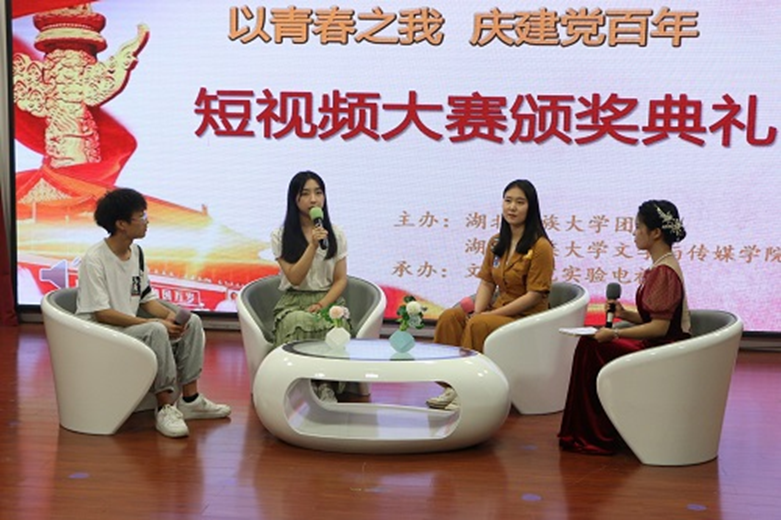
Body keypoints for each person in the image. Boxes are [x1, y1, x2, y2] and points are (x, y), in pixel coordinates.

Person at [76, 188, 231, 439]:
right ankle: (165, 407)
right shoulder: (94, 259)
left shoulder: (136, 253)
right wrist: (157, 322)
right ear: (121, 224)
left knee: (191, 321)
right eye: (141, 216)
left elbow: (146, 299)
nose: (147, 221)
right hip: (101, 333)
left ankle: (190, 400)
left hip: (127, 328)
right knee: (156, 329)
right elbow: (102, 314)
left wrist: (170, 317)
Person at [558, 200, 690, 455]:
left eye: (638, 227)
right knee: (591, 343)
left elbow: (659, 329)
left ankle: (595, 434)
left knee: (593, 347)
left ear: (655, 233)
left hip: (663, 350)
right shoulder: (661, 265)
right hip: (658, 344)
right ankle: (590, 431)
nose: (634, 232)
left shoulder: (664, 271)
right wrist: (625, 314)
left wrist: (616, 333)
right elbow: (654, 319)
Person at [429, 179, 555, 410]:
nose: (512, 207)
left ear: (531, 207)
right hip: (498, 310)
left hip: (526, 318)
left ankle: (468, 390)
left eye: (520, 202)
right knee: (450, 317)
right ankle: (451, 385)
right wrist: (478, 311)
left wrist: (489, 315)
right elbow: (487, 282)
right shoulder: (496, 242)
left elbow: (534, 295)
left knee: (479, 324)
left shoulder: (540, 247)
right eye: (508, 201)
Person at [271, 171, 350, 403]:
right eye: (305, 194)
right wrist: (312, 246)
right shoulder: (280, 235)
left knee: (335, 324)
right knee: (297, 320)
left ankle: (326, 384)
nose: (313, 199)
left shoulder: (336, 234)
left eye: (318, 192)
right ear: (294, 199)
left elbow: (340, 279)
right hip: (294, 300)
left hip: (327, 299)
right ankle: (300, 384)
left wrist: (323, 304)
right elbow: (295, 278)